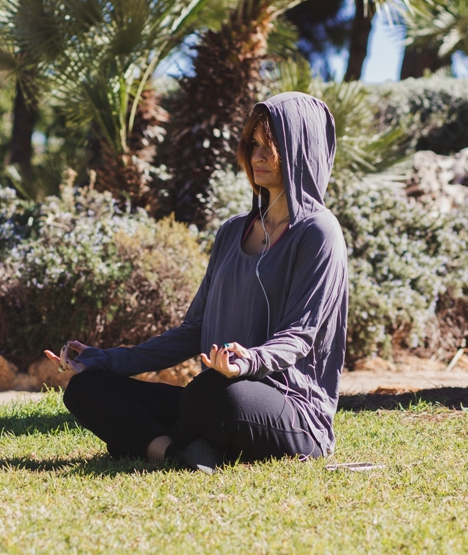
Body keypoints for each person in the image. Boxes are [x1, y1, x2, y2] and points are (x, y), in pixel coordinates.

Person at [48, 92, 348, 473]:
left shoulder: (319, 232)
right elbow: (193, 332)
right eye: (252, 144)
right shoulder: (232, 232)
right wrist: (105, 360)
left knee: (210, 394)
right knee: (88, 390)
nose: (256, 156)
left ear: (301, 148)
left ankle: (166, 438)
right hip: (213, 397)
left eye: (270, 146)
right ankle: (176, 453)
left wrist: (248, 363)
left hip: (289, 407)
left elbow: (301, 335)